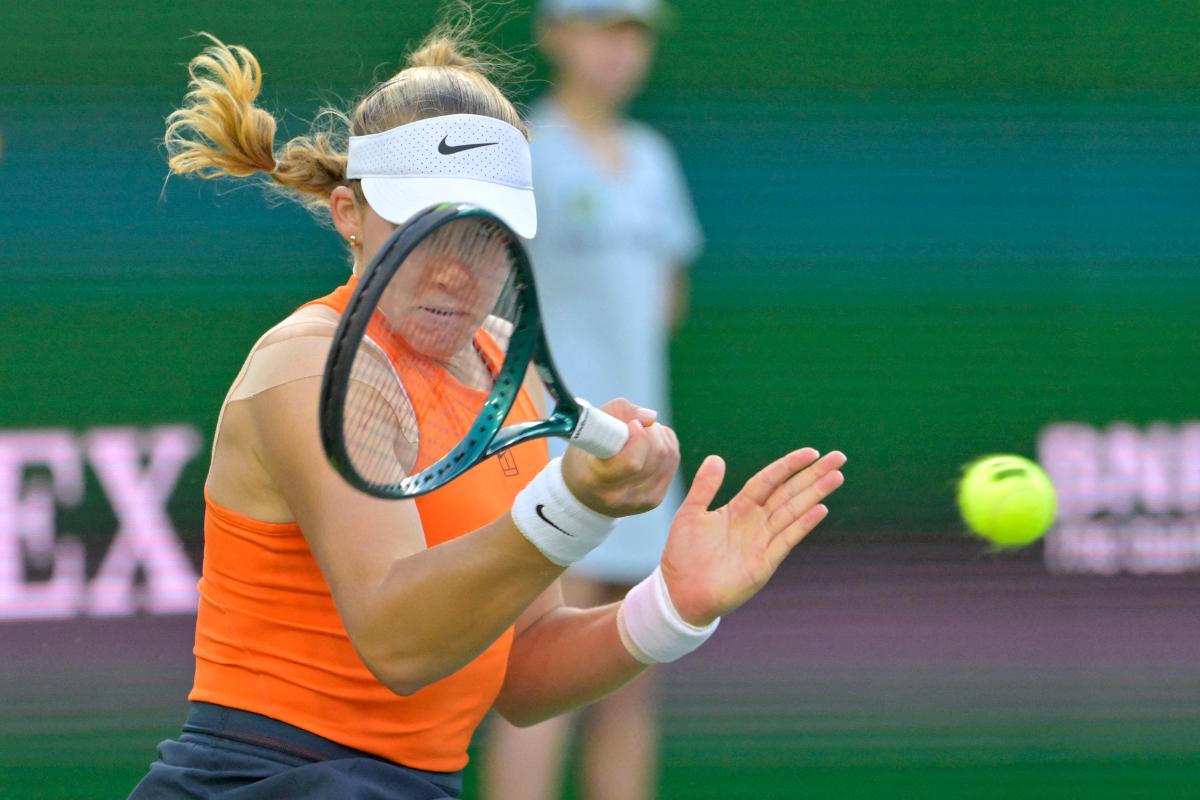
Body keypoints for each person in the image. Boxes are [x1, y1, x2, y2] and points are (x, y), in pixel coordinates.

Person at [128, 16, 846, 800]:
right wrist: (569, 507)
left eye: (482, 234)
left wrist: (671, 609)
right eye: (421, 229)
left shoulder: (512, 368)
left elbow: (522, 668)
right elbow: (398, 642)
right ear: (348, 216)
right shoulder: (309, 365)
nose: (452, 271)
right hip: (265, 780)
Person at [482, 2, 702, 798]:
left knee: (630, 682)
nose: (618, 49)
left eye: (632, 31)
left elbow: (665, 301)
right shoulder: (524, 155)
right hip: (549, 459)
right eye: (601, 26)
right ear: (555, 35)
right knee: (536, 687)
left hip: (645, 461)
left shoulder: (652, 158)